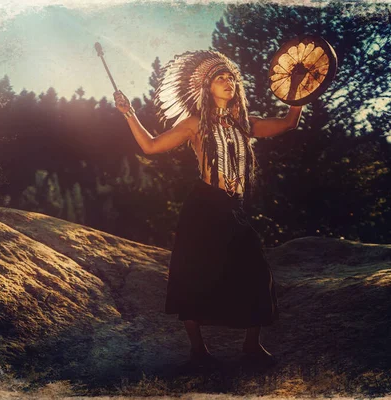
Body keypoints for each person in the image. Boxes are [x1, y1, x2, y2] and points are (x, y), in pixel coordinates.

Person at [113, 50, 302, 366]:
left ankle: (251, 345)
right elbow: (150, 146)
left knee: (256, 271)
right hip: (203, 207)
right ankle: (198, 350)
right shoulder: (194, 124)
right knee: (194, 274)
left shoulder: (245, 124)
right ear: (207, 86)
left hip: (234, 207)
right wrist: (129, 112)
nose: (228, 81)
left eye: (231, 77)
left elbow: (288, 123)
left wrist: (298, 90)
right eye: (220, 77)